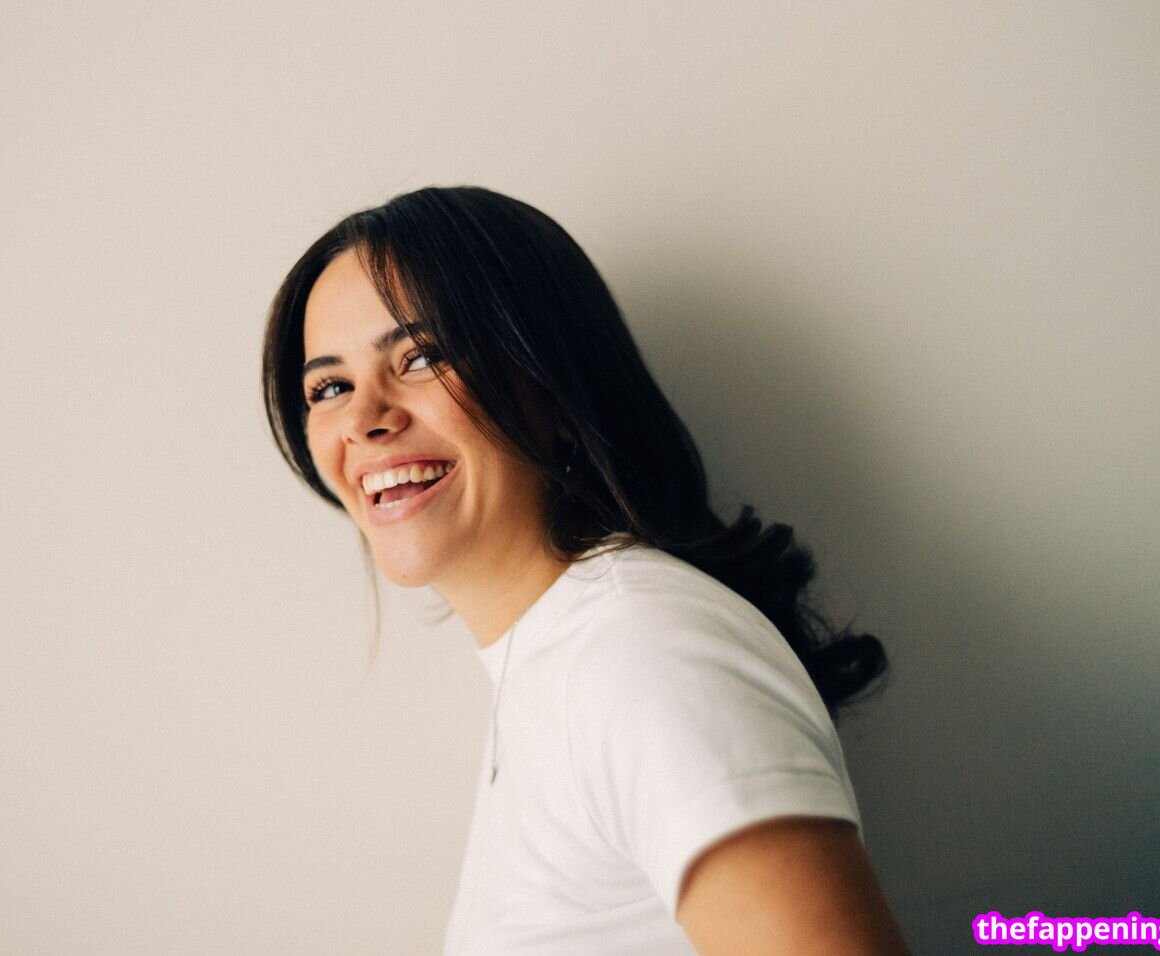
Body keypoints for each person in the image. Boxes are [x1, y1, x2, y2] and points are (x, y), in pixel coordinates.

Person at [262, 185, 909, 954]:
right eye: (330, 387)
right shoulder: (559, 659)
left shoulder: (642, 654)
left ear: (554, 389)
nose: (365, 419)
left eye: (423, 356)